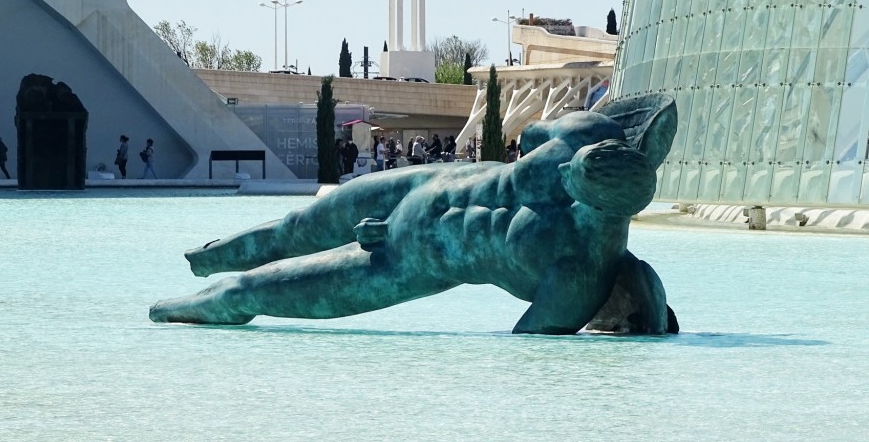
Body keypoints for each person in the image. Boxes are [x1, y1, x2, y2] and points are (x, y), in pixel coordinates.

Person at [150, 94, 679, 335]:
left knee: (260, 290)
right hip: (429, 187)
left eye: (571, 184)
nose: (557, 181)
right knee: (295, 229)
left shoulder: (577, 274)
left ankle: (179, 306)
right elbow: (537, 134)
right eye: (564, 170)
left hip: (410, 262)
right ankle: (212, 258)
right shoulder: (587, 139)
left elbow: (532, 346)